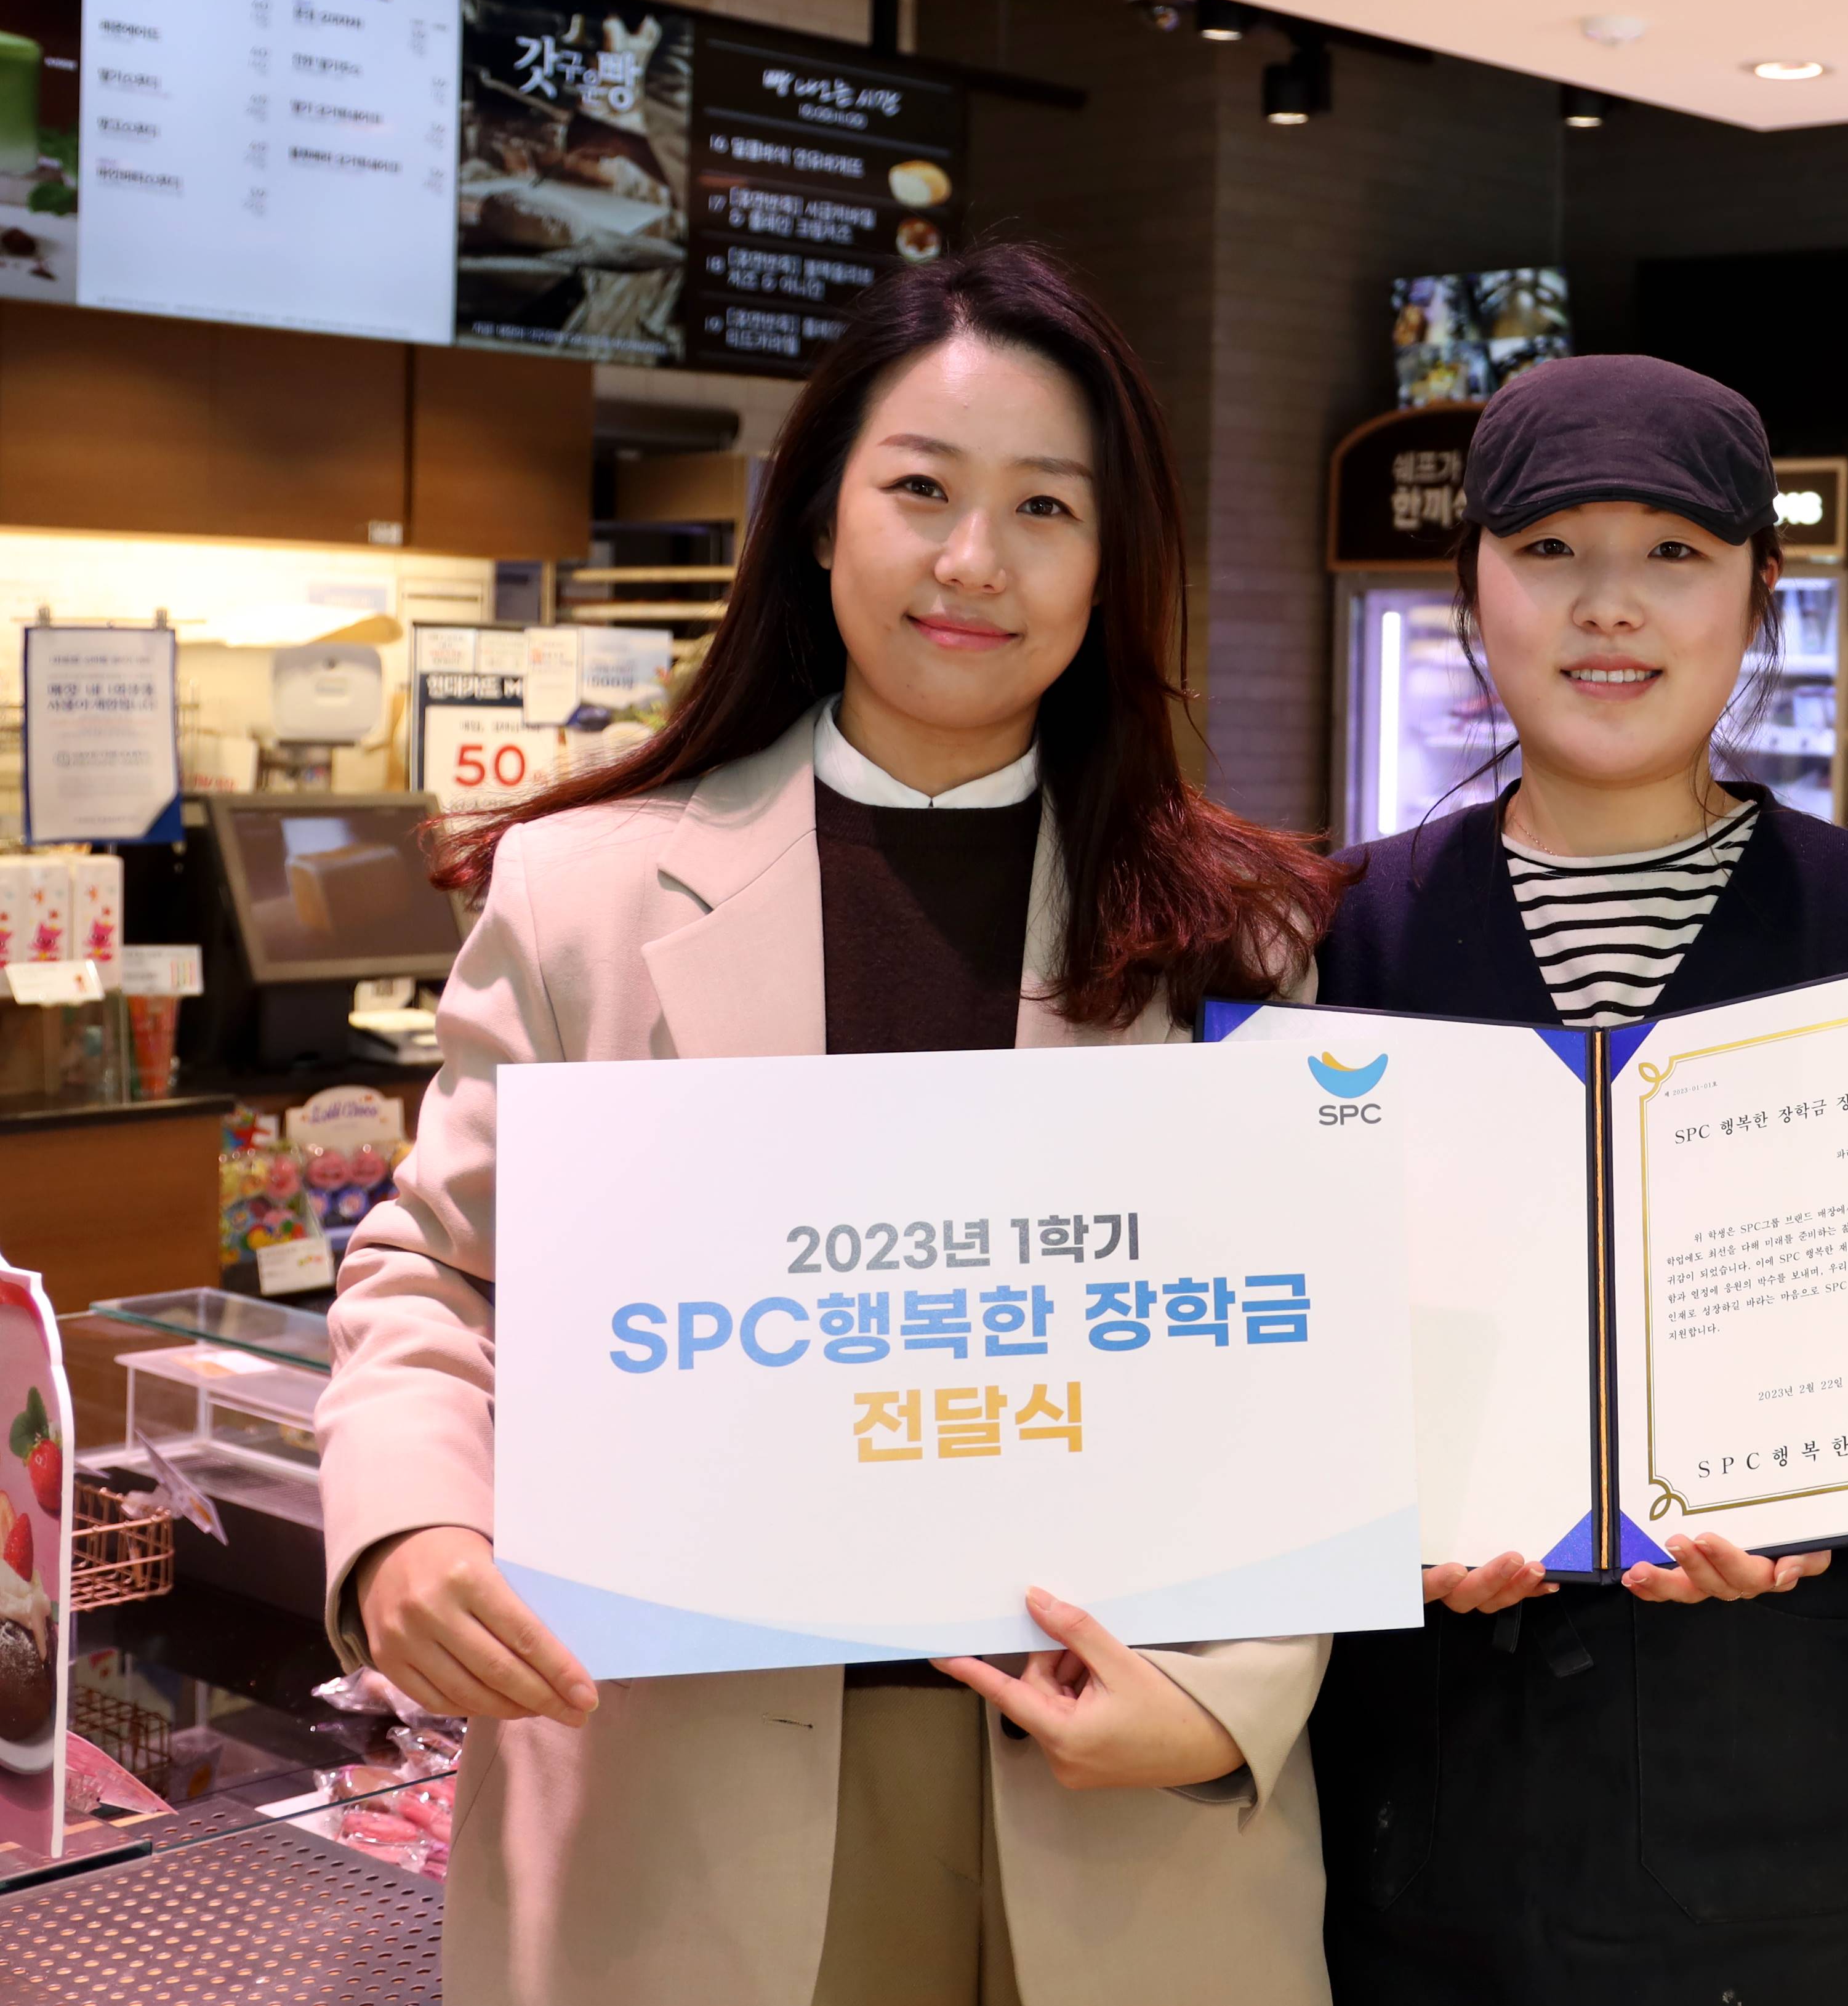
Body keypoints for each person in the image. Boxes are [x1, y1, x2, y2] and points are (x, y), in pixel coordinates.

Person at [313, 242, 1348, 2006]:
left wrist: (1231, 1695)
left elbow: (1307, 1350)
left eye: (1045, 508)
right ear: (813, 518)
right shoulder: (583, 890)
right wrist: (410, 1522)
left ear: (1114, 561)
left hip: (1117, 1795)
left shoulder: (1234, 933)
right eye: (920, 490)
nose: (974, 560)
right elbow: (439, 1271)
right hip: (676, 1787)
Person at [1304, 353, 1848, 2004]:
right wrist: (1365, 1524)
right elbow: (1275, 1342)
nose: (1610, 607)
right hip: (1435, 1780)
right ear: (1471, 584)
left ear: (1758, 591)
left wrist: (1837, 1495)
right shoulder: (1338, 936)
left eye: (1673, 552)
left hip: (1799, 1770)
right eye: (1549, 550)